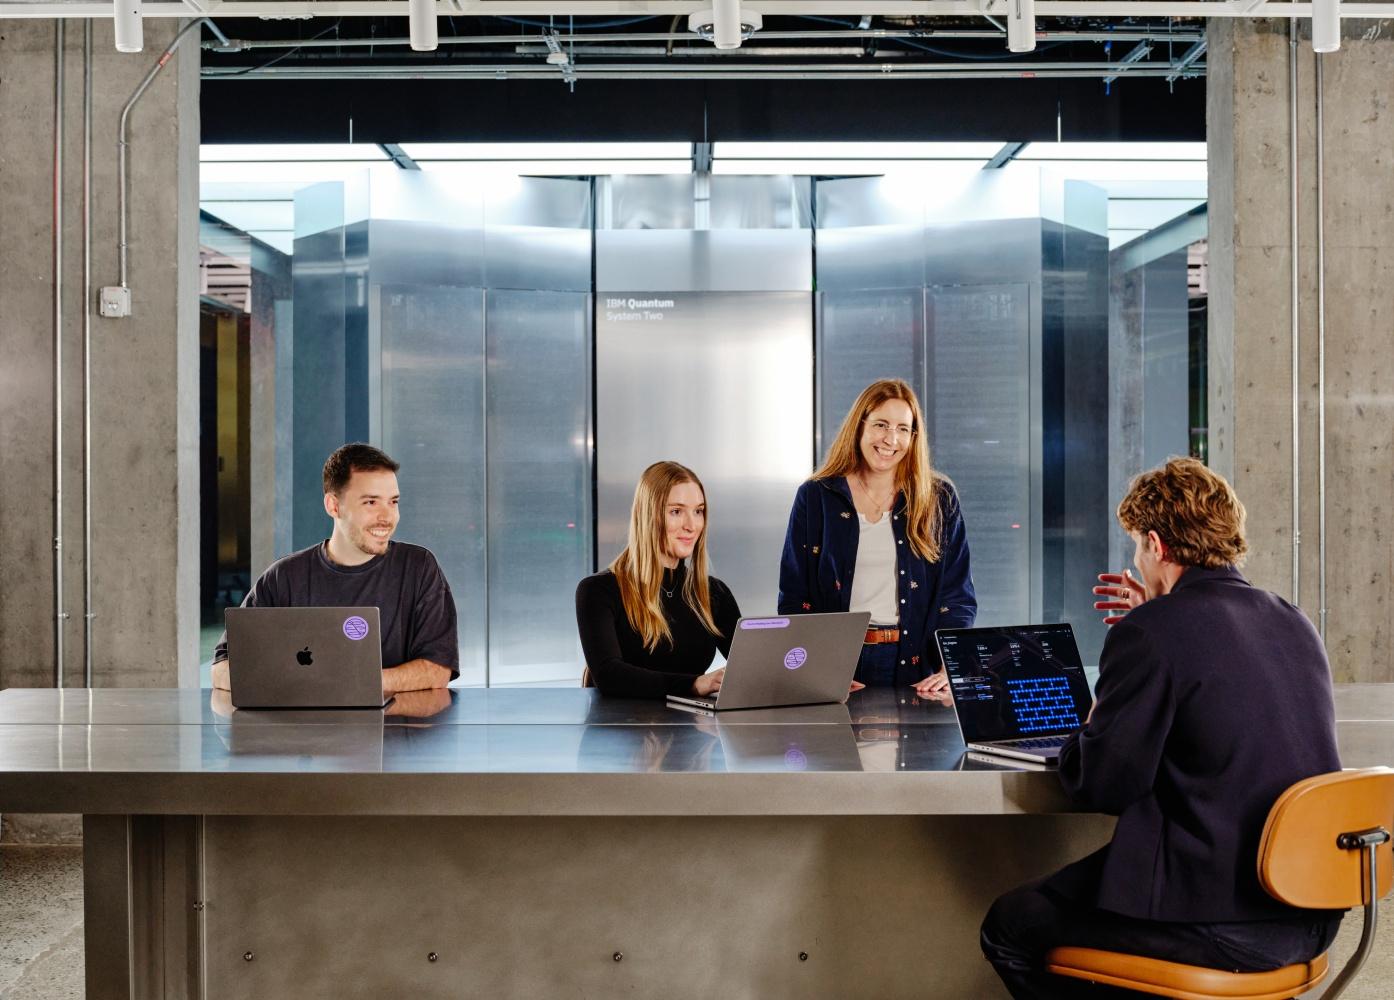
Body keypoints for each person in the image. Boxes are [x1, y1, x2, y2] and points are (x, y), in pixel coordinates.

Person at [980, 457, 1342, 998]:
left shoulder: (1153, 632)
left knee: (1009, 926)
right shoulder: (1291, 618)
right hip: (1310, 910)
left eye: (1135, 546)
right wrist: (1159, 612)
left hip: (1218, 919)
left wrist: (1091, 721)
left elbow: (1105, 784)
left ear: (1155, 544)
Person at [778, 378, 975, 695]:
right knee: (836, 746)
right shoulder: (816, 497)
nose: (890, 439)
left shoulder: (938, 498)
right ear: (860, 427)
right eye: (881, 424)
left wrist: (949, 666)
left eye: (902, 429)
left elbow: (957, 596)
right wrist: (816, 666)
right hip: (838, 663)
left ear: (913, 437)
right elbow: (794, 595)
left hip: (916, 667)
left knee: (920, 747)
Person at [211, 443, 458, 694]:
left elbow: (437, 669)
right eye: (371, 502)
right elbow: (222, 667)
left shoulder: (418, 567)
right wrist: (295, 688)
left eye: (393, 502)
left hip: (396, 728)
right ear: (333, 506)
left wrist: (343, 684)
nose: (387, 516)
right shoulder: (284, 577)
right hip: (301, 730)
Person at [575, 461, 740, 699]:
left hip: (692, 730)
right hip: (622, 731)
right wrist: (694, 685)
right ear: (648, 516)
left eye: (698, 511)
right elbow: (609, 674)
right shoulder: (598, 590)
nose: (691, 525)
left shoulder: (714, 592)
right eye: (676, 511)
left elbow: (750, 668)